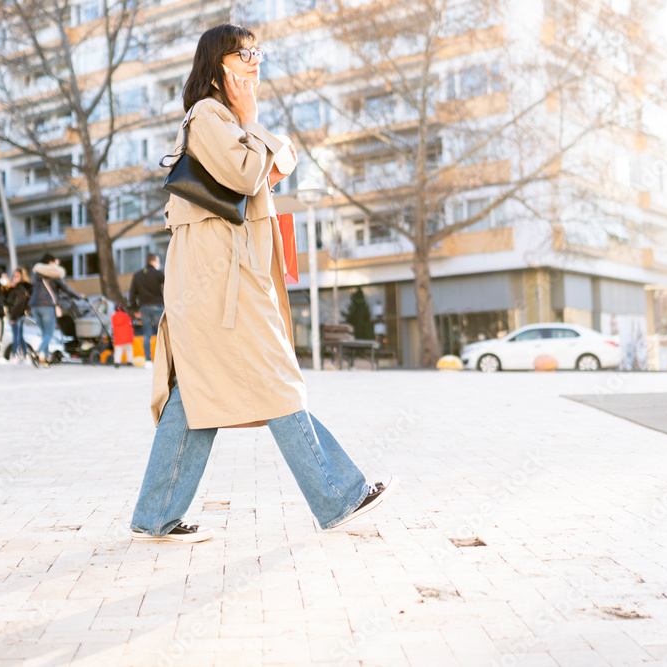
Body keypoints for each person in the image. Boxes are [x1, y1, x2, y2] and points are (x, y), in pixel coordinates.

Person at [130, 24, 396, 543]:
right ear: (219, 65)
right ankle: (337, 495)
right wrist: (255, 127)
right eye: (244, 54)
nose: (255, 62)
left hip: (217, 280)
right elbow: (248, 175)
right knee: (276, 382)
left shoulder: (223, 119)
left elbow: (268, 168)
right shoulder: (209, 115)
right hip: (218, 283)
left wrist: (260, 143)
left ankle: (154, 515)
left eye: (258, 53)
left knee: (196, 398)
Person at [29, 254, 83, 367]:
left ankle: (46, 359)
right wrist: (80, 296)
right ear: (50, 263)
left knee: (45, 334)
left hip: (34, 306)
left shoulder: (37, 275)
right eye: (55, 262)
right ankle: (38, 353)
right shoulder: (54, 274)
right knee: (49, 333)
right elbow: (66, 289)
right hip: (47, 305)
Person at [129, 253, 165, 369]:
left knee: (147, 334)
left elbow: (132, 293)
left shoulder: (138, 275)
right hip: (158, 306)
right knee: (162, 334)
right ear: (153, 261)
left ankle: (148, 360)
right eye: (158, 261)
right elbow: (168, 287)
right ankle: (163, 359)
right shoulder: (159, 274)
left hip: (144, 307)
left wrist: (134, 309)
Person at [5, 268, 33, 363]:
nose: (15, 278)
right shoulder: (21, 288)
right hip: (21, 314)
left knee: (16, 335)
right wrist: (11, 288)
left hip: (17, 315)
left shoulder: (19, 288)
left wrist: (13, 316)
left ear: (21, 277)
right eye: (14, 276)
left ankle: (14, 355)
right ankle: (26, 355)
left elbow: (17, 303)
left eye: (17, 276)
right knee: (20, 336)